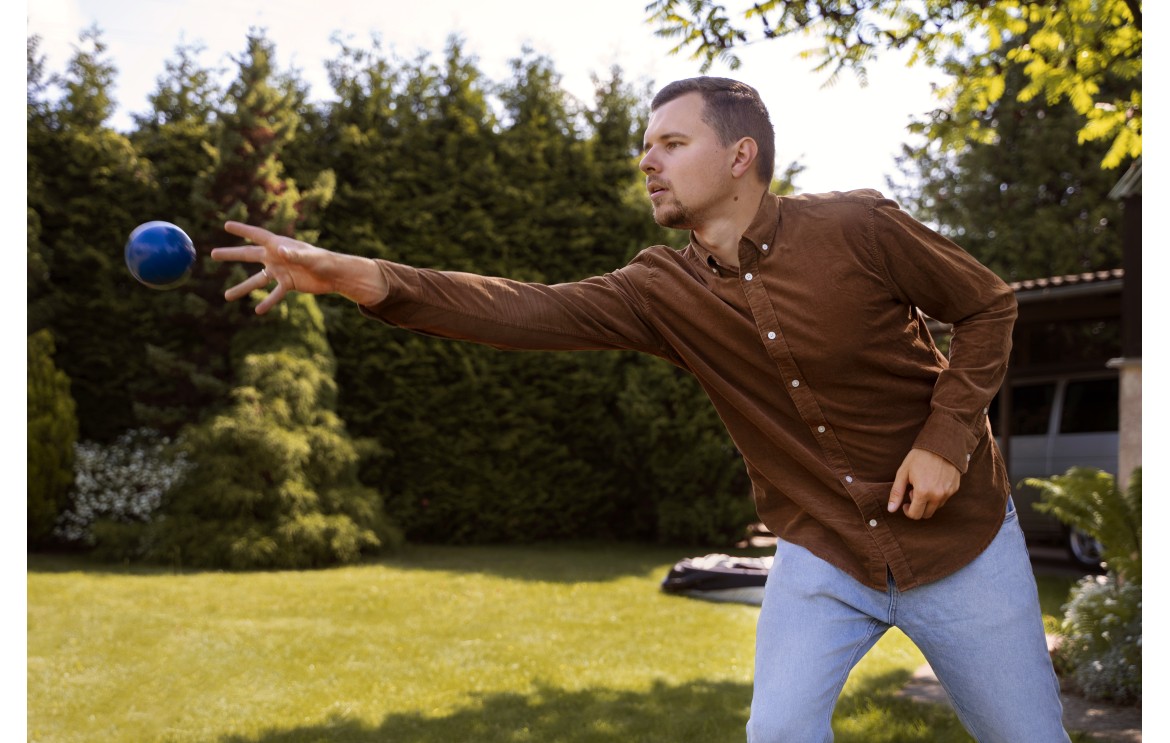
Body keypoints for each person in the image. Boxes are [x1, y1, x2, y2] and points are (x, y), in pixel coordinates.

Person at [213, 76, 1069, 742]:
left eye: (670, 141)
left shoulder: (858, 227)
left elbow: (988, 304)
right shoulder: (658, 289)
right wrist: (358, 273)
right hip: (826, 552)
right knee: (776, 730)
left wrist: (946, 437)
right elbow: (523, 307)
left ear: (740, 155)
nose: (646, 159)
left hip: (960, 544)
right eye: (643, 145)